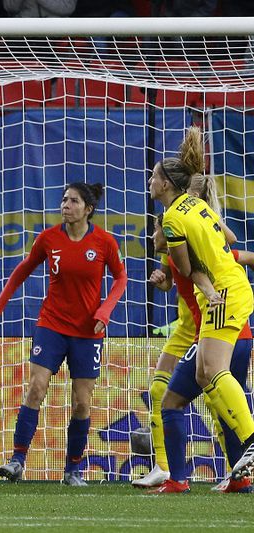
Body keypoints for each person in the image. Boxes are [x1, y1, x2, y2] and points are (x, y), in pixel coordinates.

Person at [0, 182, 128, 485]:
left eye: (73, 201)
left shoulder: (104, 242)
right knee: (36, 388)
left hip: (88, 332)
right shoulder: (49, 238)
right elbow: (23, 269)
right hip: (51, 325)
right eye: (64, 199)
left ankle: (72, 470)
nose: (65, 205)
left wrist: (104, 311)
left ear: (88, 209)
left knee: (81, 402)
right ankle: (17, 461)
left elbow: (120, 278)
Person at [148, 126, 254, 488]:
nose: (150, 181)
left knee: (213, 370)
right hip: (232, 287)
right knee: (202, 377)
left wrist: (209, 290)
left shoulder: (174, 218)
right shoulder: (196, 205)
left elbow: (189, 269)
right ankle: (183, 476)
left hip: (225, 292)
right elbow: (227, 239)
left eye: (154, 176)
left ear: (165, 185)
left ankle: (251, 443)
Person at [133, 175, 238, 489]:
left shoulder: (188, 230)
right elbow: (172, 282)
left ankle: (236, 467)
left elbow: (215, 258)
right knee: (159, 393)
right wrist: (161, 281)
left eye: (158, 228)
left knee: (213, 396)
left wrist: (206, 214)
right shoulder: (172, 245)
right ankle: (164, 468)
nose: (155, 234)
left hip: (205, 322)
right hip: (184, 327)